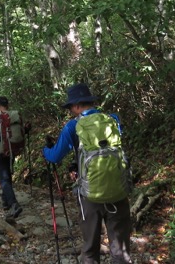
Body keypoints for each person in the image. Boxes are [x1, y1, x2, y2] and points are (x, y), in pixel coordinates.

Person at [42, 83, 132, 264]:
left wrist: (45, 149)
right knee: (121, 249)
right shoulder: (113, 120)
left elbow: (54, 157)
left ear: (76, 106)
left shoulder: (72, 127)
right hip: (118, 189)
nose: (70, 111)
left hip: (89, 196)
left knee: (90, 248)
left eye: (70, 108)